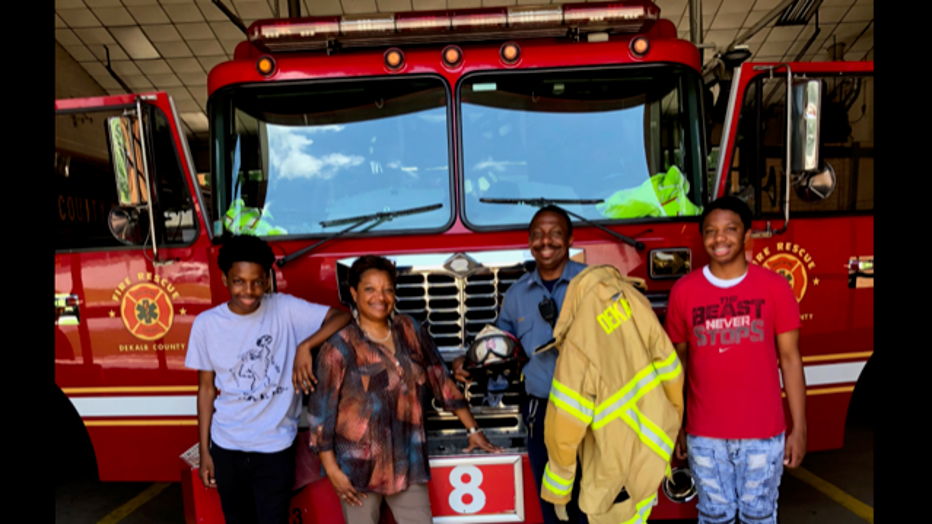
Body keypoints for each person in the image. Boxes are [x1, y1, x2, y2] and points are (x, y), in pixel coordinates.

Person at [307, 255, 502, 524]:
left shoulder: (410, 329)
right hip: (357, 472)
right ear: (353, 293)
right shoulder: (338, 347)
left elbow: (440, 380)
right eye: (370, 289)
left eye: (387, 289)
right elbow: (321, 416)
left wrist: (474, 431)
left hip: (407, 465)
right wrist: (332, 471)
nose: (381, 297)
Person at [185, 234, 351, 524]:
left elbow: (342, 316)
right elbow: (206, 390)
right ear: (225, 279)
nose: (248, 291)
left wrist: (305, 345)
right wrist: (206, 451)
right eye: (239, 281)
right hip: (226, 447)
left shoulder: (285, 309)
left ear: (268, 281)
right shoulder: (206, 325)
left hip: (275, 449)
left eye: (257, 281)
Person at [665, 196, 807, 524]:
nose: (720, 238)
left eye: (730, 229)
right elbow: (677, 366)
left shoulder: (774, 287)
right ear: (703, 238)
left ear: (747, 236)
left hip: (764, 434)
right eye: (711, 231)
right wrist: (676, 426)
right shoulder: (684, 292)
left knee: (760, 517)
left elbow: (790, 359)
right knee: (714, 517)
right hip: (705, 436)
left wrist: (799, 428)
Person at [453, 205, 589, 524]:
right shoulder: (516, 295)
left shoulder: (594, 285)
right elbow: (503, 347)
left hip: (592, 409)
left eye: (555, 233)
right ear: (529, 242)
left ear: (570, 238)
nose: (546, 241)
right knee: (553, 501)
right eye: (538, 234)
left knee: (592, 499)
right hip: (541, 410)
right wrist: (469, 359)